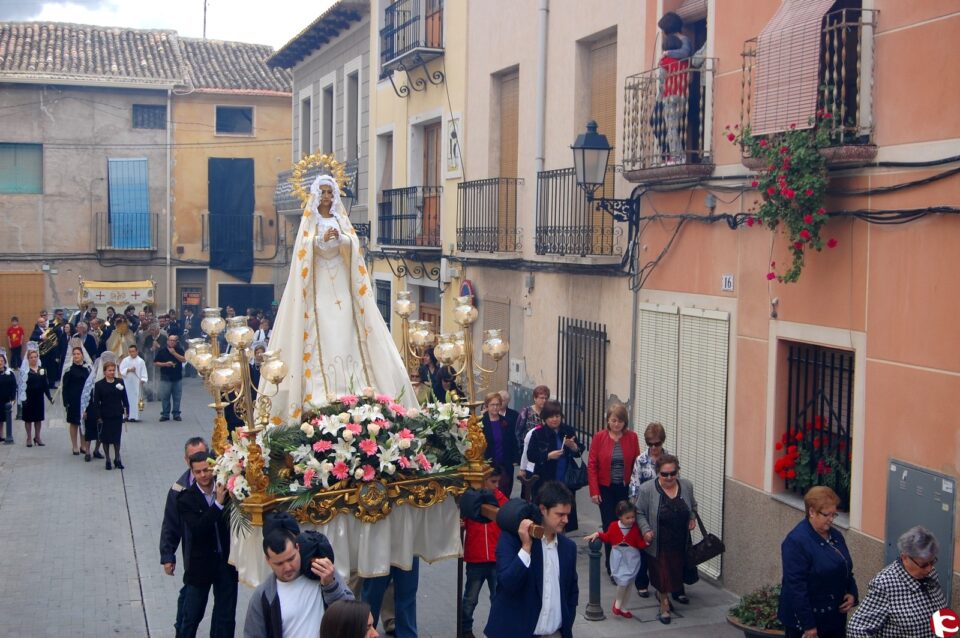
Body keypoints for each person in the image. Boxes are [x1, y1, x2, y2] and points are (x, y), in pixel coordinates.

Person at [267, 173, 416, 422]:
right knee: (322, 326)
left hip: (341, 280)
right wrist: (318, 242)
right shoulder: (310, 222)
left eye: (330, 192)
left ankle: (353, 384)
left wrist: (342, 239)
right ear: (316, 195)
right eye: (323, 192)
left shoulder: (340, 219)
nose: (326, 196)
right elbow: (301, 251)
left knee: (346, 323)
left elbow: (354, 245)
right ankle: (321, 389)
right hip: (319, 284)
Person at [484, 481, 579, 638]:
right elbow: (507, 583)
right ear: (543, 509)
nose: (565, 520)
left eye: (567, 515)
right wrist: (526, 547)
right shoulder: (512, 539)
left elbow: (571, 592)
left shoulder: (568, 548)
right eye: (560, 514)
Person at [243, 526, 354, 638]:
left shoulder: (323, 573)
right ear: (268, 560)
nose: (287, 567)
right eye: (279, 563)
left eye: (291, 559)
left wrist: (331, 586)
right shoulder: (263, 596)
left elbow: (353, 617)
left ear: (297, 548)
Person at [778, 486, 857, 638]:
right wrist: (809, 626)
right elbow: (796, 586)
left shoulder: (836, 536)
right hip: (808, 622)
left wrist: (851, 592)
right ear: (812, 512)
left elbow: (845, 567)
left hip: (834, 618)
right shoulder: (796, 541)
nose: (831, 519)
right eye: (827, 515)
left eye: (834, 515)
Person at [176, 451, 238, 638]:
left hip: (226, 564)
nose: (203, 475)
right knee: (191, 616)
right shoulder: (185, 498)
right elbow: (198, 528)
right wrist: (218, 504)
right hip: (200, 567)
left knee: (225, 617)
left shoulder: (226, 489)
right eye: (198, 472)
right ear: (192, 473)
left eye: (206, 470)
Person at [847, 526, 947, 638]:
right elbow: (856, 630)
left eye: (932, 562)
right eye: (923, 565)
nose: (929, 569)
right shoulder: (885, 584)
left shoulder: (931, 573)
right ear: (904, 557)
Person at [635, 454, 697, 624]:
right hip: (658, 541)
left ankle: (664, 594)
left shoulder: (686, 486)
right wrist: (646, 530)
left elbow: (693, 506)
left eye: (673, 473)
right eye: (664, 474)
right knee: (662, 574)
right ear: (657, 473)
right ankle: (664, 605)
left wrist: (692, 518)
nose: (669, 477)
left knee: (675, 573)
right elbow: (639, 512)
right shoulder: (648, 490)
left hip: (680, 540)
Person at [160, 437, 209, 634]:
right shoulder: (179, 489)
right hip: (195, 559)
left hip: (221, 559)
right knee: (191, 605)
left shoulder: (221, 482)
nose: (199, 463)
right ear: (186, 461)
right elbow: (170, 525)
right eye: (193, 458)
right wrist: (167, 556)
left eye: (203, 455)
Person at [587, 403, 641, 580]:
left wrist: (634, 492)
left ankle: (628, 561)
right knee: (610, 525)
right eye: (613, 420)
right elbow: (592, 465)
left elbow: (636, 466)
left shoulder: (632, 438)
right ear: (608, 421)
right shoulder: (599, 437)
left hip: (624, 488)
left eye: (620, 421)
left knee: (627, 525)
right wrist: (594, 490)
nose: (617, 424)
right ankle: (612, 566)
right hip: (606, 488)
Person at [461, 468, 508, 638]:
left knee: (497, 598)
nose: (496, 486)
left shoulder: (501, 499)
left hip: (496, 558)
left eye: (497, 482)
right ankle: (465, 629)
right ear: (483, 481)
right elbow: (463, 521)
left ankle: (497, 628)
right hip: (476, 557)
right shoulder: (471, 501)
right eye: (492, 482)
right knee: (470, 598)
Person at [628, 421, 671, 599]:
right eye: (650, 444)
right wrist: (635, 511)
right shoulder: (641, 460)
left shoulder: (668, 459)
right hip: (645, 510)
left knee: (664, 550)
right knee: (644, 548)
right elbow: (634, 485)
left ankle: (667, 585)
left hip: (664, 510)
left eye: (657, 444)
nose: (654, 447)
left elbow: (675, 482)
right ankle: (641, 582)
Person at [584, 500, 648, 618]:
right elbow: (607, 537)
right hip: (618, 556)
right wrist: (597, 534)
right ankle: (617, 603)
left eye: (633, 517)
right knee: (623, 581)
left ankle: (623, 607)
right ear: (620, 516)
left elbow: (639, 543)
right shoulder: (614, 526)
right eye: (627, 517)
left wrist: (647, 542)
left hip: (632, 557)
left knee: (629, 582)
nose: (631, 520)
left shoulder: (635, 528)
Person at [527, 400, 584, 530]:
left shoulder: (567, 430)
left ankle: (561, 538)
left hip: (565, 479)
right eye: (551, 417)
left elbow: (578, 452)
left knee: (563, 513)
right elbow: (531, 455)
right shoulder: (538, 433)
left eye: (557, 416)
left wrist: (574, 447)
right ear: (545, 418)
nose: (554, 419)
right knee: (546, 513)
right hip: (545, 479)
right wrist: (548, 456)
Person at [91, 360, 130, 470]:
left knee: (117, 438)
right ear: (104, 372)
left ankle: (117, 458)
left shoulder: (120, 382)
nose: (112, 372)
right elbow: (96, 402)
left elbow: (125, 398)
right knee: (106, 439)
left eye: (113, 370)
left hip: (117, 414)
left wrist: (127, 411)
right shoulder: (99, 385)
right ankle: (108, 459)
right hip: (105, 415)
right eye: (109, 370)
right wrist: (98, 416)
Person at [658, 34, 691, 164]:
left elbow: (661, 80)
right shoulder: (684, 61)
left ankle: (677, 157)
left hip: (669, 96)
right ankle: (678, 155)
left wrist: (660, 96)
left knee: (672, 128)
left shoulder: (664, 61)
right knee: (678, 126)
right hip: (682, 96)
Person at [80, 351, 115, 462]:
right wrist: (84, 409)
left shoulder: (111, 376)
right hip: (91, 407)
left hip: (104, 408)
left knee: (101, 430)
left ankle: (96, 450)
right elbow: (86, 394)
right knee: (90, 429)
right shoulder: (93, 378)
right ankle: (87, 451)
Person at [482, 392, 518, 498]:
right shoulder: (481, 422)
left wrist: (515, 459)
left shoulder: (507, 422)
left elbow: (513, 441)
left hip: (505, 465)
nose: (495, 407)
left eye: (498, 404)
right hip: (488, 466)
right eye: (492, 405)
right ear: (486, 406)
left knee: (504, 493)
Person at [19, 343, 52, 447]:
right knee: (28, 419)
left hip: (39, 397)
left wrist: (49, 397)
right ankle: (29, 437)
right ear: (28, 359)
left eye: (35, 357)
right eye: (31, 357)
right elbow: (21, 386)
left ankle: (37, 437)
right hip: (28, 398)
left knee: (38, 418)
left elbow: (45, 385)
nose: (33, 359)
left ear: (38, 358)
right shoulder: (24, 371)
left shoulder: (42, 370)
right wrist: (22, 399)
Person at [62, 345, 92, 455]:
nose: (76, 356)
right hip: (73, 400)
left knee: (83, 422)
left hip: (84, 400)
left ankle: (83, 445)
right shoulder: (69, 370)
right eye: (74, 354)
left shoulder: (87, 368)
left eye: (78, 354)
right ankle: (74, 446)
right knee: (74, 423)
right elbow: (65, 387)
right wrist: (66, 402)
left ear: (82, 355)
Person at [155, 333, 185, 421]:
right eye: (170, 340)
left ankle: (176, 414)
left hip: (177, 378)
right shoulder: (162, 350)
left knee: (177, 397)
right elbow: (156, 362)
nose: (171, 342)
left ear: (176, 342)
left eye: (173, 340)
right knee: (165, 397)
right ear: (167, 341)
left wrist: (174, 353)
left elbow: (184, 359)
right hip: (165, 378)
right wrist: (165, 364)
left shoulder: (179, 350)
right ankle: (165, 414)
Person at [515, 385, 550, 455]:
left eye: (546, 398)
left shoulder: (549, 413)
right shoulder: (526, 411)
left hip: (545, 449)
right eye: (541, 398)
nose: (544, 401)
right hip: (529, 449)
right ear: (535, 398)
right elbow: (518, 432)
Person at [119, 344, 148, 422]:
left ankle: (134, 416)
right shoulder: (125, 360)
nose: (132, 353)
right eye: (130, 352)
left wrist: (143, 379)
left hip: (136, 383)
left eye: (133, 351)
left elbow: (144, 371)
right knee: (126, 398)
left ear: (137, 351)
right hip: (127, 383)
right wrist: (128, 370)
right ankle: (126, 415)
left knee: (135, 399)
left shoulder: (141, 361)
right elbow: (121, 370)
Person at [0, 351, 17, 443]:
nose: (0, 362)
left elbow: (14, 386)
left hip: (5, 399)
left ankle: (2, 435)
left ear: (4, 361)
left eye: (1, 360)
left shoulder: (9, 373)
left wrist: (13, 397)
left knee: (3, 418)